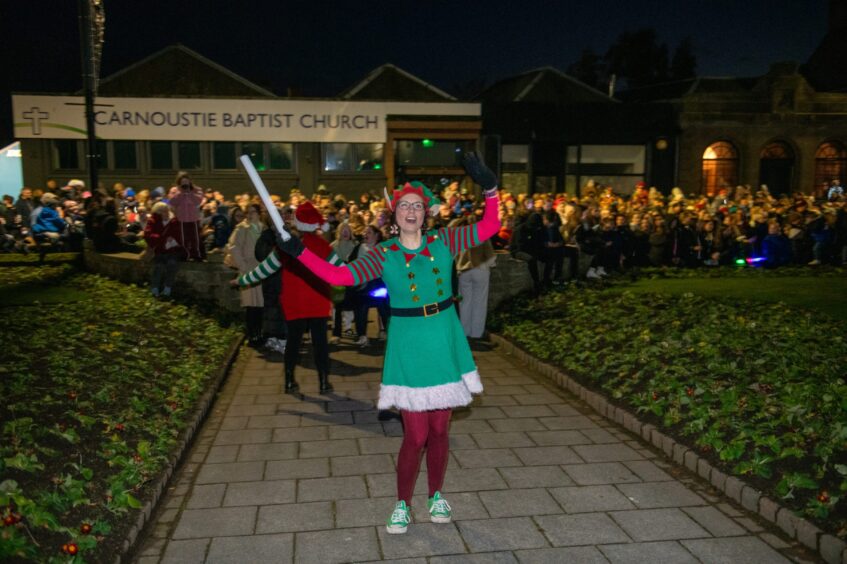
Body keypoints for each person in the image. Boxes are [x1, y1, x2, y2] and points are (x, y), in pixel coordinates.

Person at [270, 154, 499, 535]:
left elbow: (491, 225)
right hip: (409, 344)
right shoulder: (384, 254)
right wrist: (299, 252)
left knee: (441, 431)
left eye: (417, 206)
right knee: (416, 435)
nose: (411, 211)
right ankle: (402, 504)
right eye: (404, 206)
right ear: (394, 215)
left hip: (444, 338)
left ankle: (436, 494)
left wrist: (490, 188)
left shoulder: (445, 240)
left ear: (426, 213)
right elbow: (339, 276)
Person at [235, 201, 344, 394]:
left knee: (293, 342)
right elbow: (343, 270)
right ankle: (324, 382)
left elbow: (264, 269)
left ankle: (289, 380)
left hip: (293, 301)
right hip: (317, 299)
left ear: (298, 222)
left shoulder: (287, 245)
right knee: (320, 343)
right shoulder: (323, 245)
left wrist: (242, 280)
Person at [225, 204, 266, 346]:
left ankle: (259, 333)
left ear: (259, 213)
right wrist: (242, 266)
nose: (249, 215)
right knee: (250, 304)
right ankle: (252, 335)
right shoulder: (242, 228)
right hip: (248, 268)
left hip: (262, 268)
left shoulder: (263, 228)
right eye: (247, 212)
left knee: (260, 303)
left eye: (252, 212)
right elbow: (234, 247)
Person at [456, 215, 496, 339]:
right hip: (480, 270)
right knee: (480, 302)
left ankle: (464, 331)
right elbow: (490, 255)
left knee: (465, 303)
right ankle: (477, 332)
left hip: (464, 270)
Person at [143, 201, 182, 297]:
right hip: (159, 250)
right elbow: (148, 235)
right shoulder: (153, 221)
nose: (166, 213)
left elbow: (180, 235)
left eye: (166, 211)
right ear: (158, 212)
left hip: (172, 250)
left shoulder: (174, 221)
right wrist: (163, 238)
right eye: (163, 211)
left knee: (172, 264)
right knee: (159, 266)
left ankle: (167, 288)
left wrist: (174, 239)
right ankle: (155, 288)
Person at [169, 171, 206, 261]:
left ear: (190, 181)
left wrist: (189, 192)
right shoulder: (175, 190)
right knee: (183, 239)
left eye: (186, 182)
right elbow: (172, 202)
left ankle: (197, 255)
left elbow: (198, 201)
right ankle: (185, 255)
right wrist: (181, 193)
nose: (185, 185)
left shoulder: (196, 190)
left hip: (193, 218)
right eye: (183, 183)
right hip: (181, 219)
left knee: (195, 238)